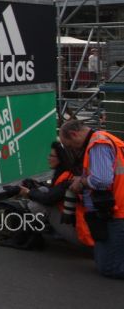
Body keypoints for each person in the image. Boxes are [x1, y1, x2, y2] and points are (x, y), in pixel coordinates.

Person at [59, 119, 124, 278]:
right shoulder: (107, 138)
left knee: (110, 267)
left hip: (117, 211)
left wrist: (81, 183)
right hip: (114, 209)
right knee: (104, 261)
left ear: (74, 134)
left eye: (69, 146)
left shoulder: (98, 144)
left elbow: (102, 181)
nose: (72, 150)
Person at [5, 141, 80, 245]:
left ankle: (21, 238)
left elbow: (48, 199)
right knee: (43, 190)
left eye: (52, 156)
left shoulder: (68, 176)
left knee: (42, 206)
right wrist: (36, 186)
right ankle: (31, 236)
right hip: (74, 226)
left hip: (79, 235)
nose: (48, 158)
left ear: (61, 159)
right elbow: (52, 193)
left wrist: (27, 191)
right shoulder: (67, 172)